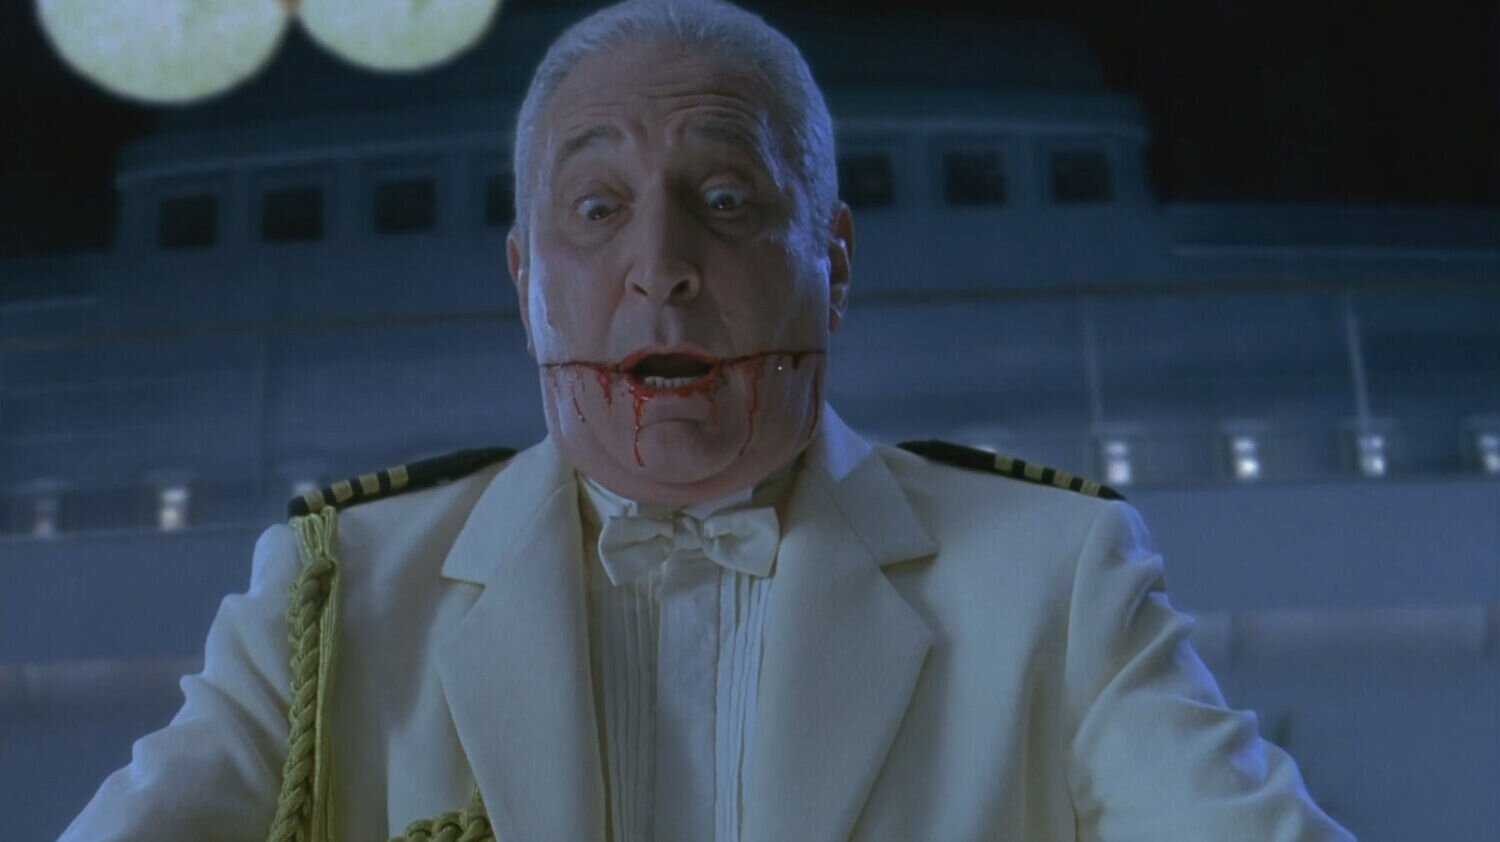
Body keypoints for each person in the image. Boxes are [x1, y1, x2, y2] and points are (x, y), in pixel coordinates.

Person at [61, 1, 1357, 840]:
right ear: (524, 279)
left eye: (727, 200)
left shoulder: (1053, 580)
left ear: (833, 265)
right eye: (597, 210)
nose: (662, 267)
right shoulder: (334, 592)